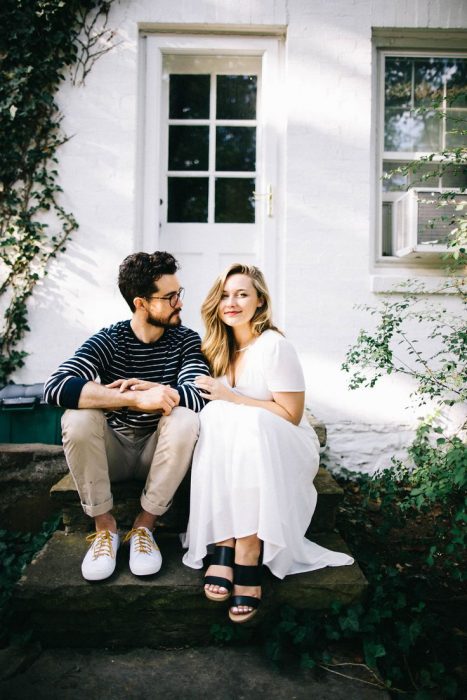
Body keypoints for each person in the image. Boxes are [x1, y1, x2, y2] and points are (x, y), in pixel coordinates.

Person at [182, 263, 353, 623]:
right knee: (215, 417)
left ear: (260, 301)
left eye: (242, 294)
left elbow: (291, 413)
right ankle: (224, 539)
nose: (232, 302)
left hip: (283, 441)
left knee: (244, 419)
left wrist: (232, 397)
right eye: (226, 295)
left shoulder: (275, 346)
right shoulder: (216, 347)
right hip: (240, 445)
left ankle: (247, 548)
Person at [44, 251, 209, 582]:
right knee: (77, 418)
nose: (179, 303)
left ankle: (144, 527)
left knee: (186, 419)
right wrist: (135, 399)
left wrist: (159, 392)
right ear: (141, 303)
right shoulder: (110, 340)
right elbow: (56, 387)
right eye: (170, 297)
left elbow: (199, 395)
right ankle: (105, 529)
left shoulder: (186, 341)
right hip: (113, 453)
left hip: (157, 453)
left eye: (180, 293)